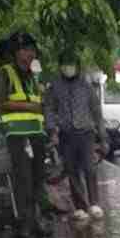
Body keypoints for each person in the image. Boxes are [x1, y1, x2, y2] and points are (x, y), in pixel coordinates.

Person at [0, 32, 49, 237]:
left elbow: (41, 104)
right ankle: (24, 223)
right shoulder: (5, 72)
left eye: (32, 50)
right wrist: (28, 106)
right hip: (16, 134)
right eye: (24, 50)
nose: (29, 54)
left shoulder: (35, 75)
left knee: (38, 178)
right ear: (16, 53)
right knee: (22, 178)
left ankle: (37, 220)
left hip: (37, 133)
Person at [45, 60, 107, 222]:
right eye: (65, 64)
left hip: (86, 133)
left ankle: (94, 203)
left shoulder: (85, 86)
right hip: (66, 134)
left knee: (89, 168)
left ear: (78, 67)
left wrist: (102, 136)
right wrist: (52, 130)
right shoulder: (55, 86)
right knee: (71, 171)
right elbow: (49, 109)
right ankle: (80, 207)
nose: (68, 68)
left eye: (71, 65)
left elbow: (96, 111)